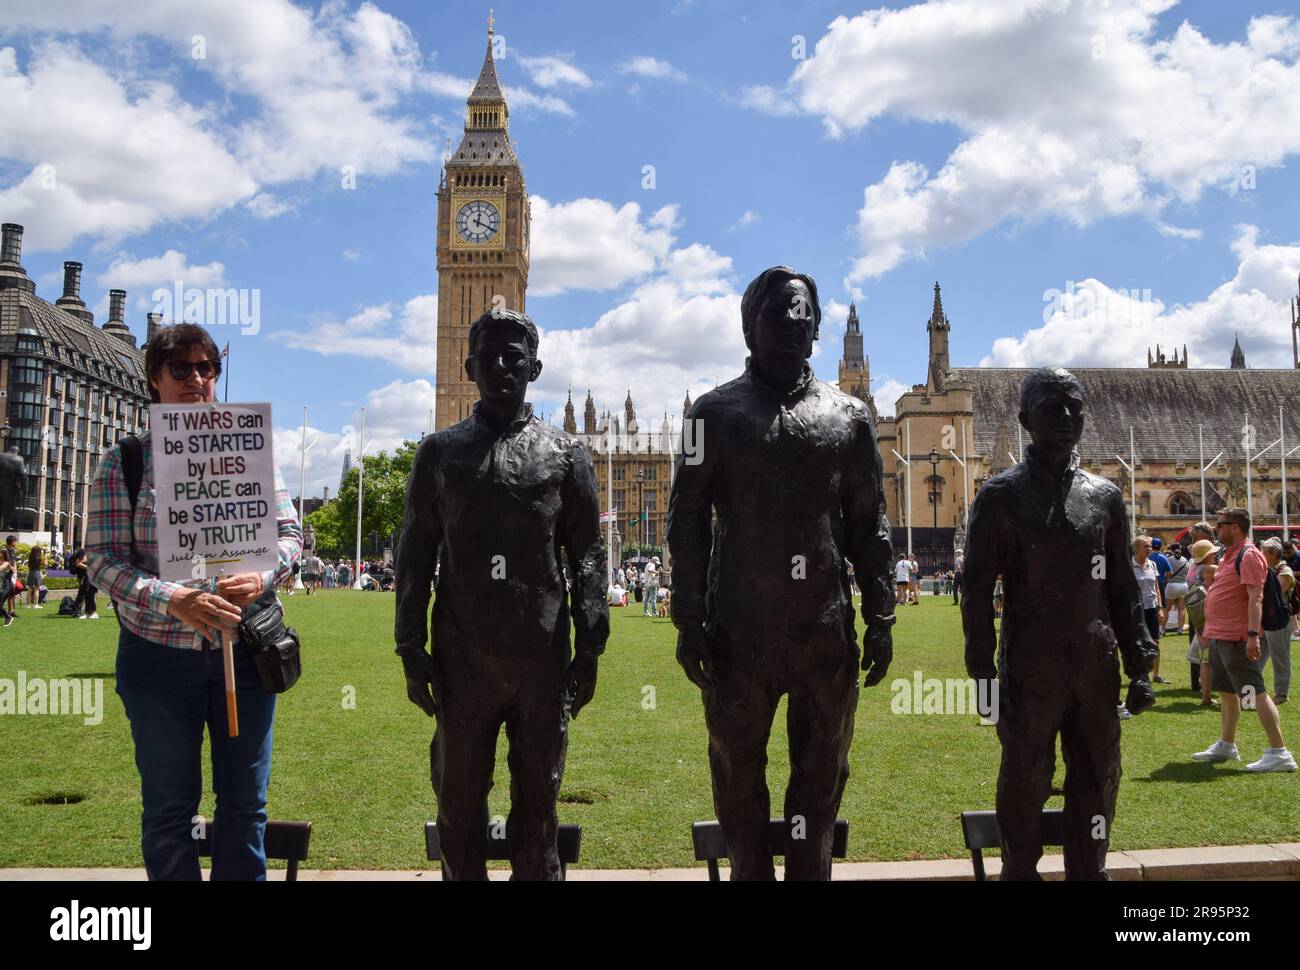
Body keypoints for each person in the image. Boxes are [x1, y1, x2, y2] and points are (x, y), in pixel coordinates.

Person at [668, 266, 895, 880]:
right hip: (739, 632)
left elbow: (869, 525)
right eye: (777, 314)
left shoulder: (850, 418)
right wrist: (688, 621)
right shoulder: (708, 416)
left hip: (824, 633)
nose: (792, 325)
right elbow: (684, 519)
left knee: (821, 781)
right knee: (738, 776)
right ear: (749, 327)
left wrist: (882, 615)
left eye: (802, 315)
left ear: (817, 329)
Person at [394, 308, 609, 881]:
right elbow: (413, 554)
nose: (501, 366)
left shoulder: (565, 454)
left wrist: (591, 647)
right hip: (462, 659)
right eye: (488, 355)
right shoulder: (439, 454)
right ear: (469, 366)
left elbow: (587, 554)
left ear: (534, 368)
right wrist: (409, 647)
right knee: (458, 807)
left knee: (538, 813)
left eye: (514, 356)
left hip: (540, 659)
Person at [87, 322, 303, 880]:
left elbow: (289, 535)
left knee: (245, 809)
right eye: (180, 368)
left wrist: (262, 573)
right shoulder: (126, 461)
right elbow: (103, 561)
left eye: (207, 368)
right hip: (158, 658)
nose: (196, 379)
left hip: (245, 654)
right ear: (154, 381)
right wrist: (172, 598)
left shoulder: (249, 451)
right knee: (168, 813)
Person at [963, 367, 1156, 880]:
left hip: (1096, 666)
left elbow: (1121, 587)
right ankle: (1019, 870)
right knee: (1026, 776)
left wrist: (1139, 665)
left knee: (1097, 776)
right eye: (1053, 407)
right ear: (1027, 419)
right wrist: (982, 674)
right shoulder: (1000, 496)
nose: (1068, 418)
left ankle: (1089, 872)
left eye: (1075, 407)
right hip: (1029, 666)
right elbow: (976, 591)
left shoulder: (1105, 496)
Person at [1191, 508, 1295, 772]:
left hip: (1237, 637)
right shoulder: (1229, 554)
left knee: (1254, 692)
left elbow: (1255, 597)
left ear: (1235, 527)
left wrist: (1251, 636)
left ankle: (1279, 752)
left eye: (1220, 525)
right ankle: (1227, 744)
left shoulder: (1249, 555)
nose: (1216, 529)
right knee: (1227, 692)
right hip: (1220, 635)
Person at [1184, 539, 1217, 706]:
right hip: (1212, 618)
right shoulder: (1211, 569)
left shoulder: (1192, 569)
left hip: (1199, 620)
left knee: (1205, 660)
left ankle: (1206, 696)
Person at [1261, 538, 1293, 705]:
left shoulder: (1284, 571)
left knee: (1280, 659)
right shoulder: (1268, 570)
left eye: (1264, 552)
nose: (1261, 554)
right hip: (1265, 619)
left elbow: (1275, 593)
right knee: (1257, 658)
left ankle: (1281, 694)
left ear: (1273, 554)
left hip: (1279, 620)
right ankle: (1252, 691)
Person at [1131, 536, 1166, 686]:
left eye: (1150, 546)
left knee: (1155, 641)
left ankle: (1156, 675)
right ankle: (1138, 673)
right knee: (1137, 642)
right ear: (1137, 549)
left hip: (1151, 607)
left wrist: (1160, 608)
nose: (1149, 549)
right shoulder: (1129, 566)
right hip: (1136, 608)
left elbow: (1156, 587)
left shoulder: (1152, 564)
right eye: (1146, 546)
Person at [1163, 543, 1189, 633]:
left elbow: (1166, 572)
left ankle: (1162, 629)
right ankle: (1180, 629)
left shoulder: (1169, 559)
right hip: (1183, 585)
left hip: (1172, 585)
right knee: (1181, 609)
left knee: (1166, 609)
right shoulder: (1185, 560)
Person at [0, 549, 14, 627]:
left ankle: (9, 617)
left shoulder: (6, 563)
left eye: (0, 553)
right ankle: (7, 617)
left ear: (4, 555)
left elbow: (1, 568)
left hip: (6, 587)